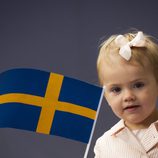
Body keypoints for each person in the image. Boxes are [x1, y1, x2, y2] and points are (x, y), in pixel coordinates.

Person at [94, 30, 158, 158]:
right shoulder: (105, 144)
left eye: (138, 85)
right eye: (116, 89)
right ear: (105, 95)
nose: (128, 96)